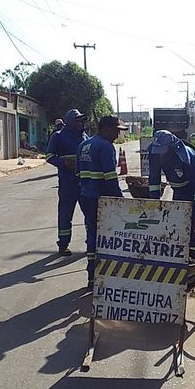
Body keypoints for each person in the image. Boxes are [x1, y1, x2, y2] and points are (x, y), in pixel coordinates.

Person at [76, 115, 128, 289]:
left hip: (85, 197)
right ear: (106, 128)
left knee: (92, 233)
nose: (117, 135)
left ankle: (92, 275)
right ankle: (107, 275)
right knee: (109, 236)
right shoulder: (106, 147)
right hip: (102, 199)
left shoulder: (84, 145)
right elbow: (111, 179)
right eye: (115, 131)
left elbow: (78, 174)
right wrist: (121, 201)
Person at [148, 130, 195, 245]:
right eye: (158, 152)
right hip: (178, 190)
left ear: (172, 148)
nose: (160, 155)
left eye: (163, 152)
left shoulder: (187, 157)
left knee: (191, 223)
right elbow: (154, 181)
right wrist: (155, 205)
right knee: (177, 220)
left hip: (193, 187)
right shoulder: (154, 154)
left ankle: (190, 249)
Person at [45, 109, 88, 256]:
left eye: (82, 120)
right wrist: (63, 162)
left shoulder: (85, 137)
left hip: (84, 184)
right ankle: (63, 244)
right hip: (67, 184)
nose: (81, 123)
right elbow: (49, 156)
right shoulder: (58, 137)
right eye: (78, 120)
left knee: (90, 215)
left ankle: (92, 244)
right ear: (70, 121)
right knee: (65, 215)